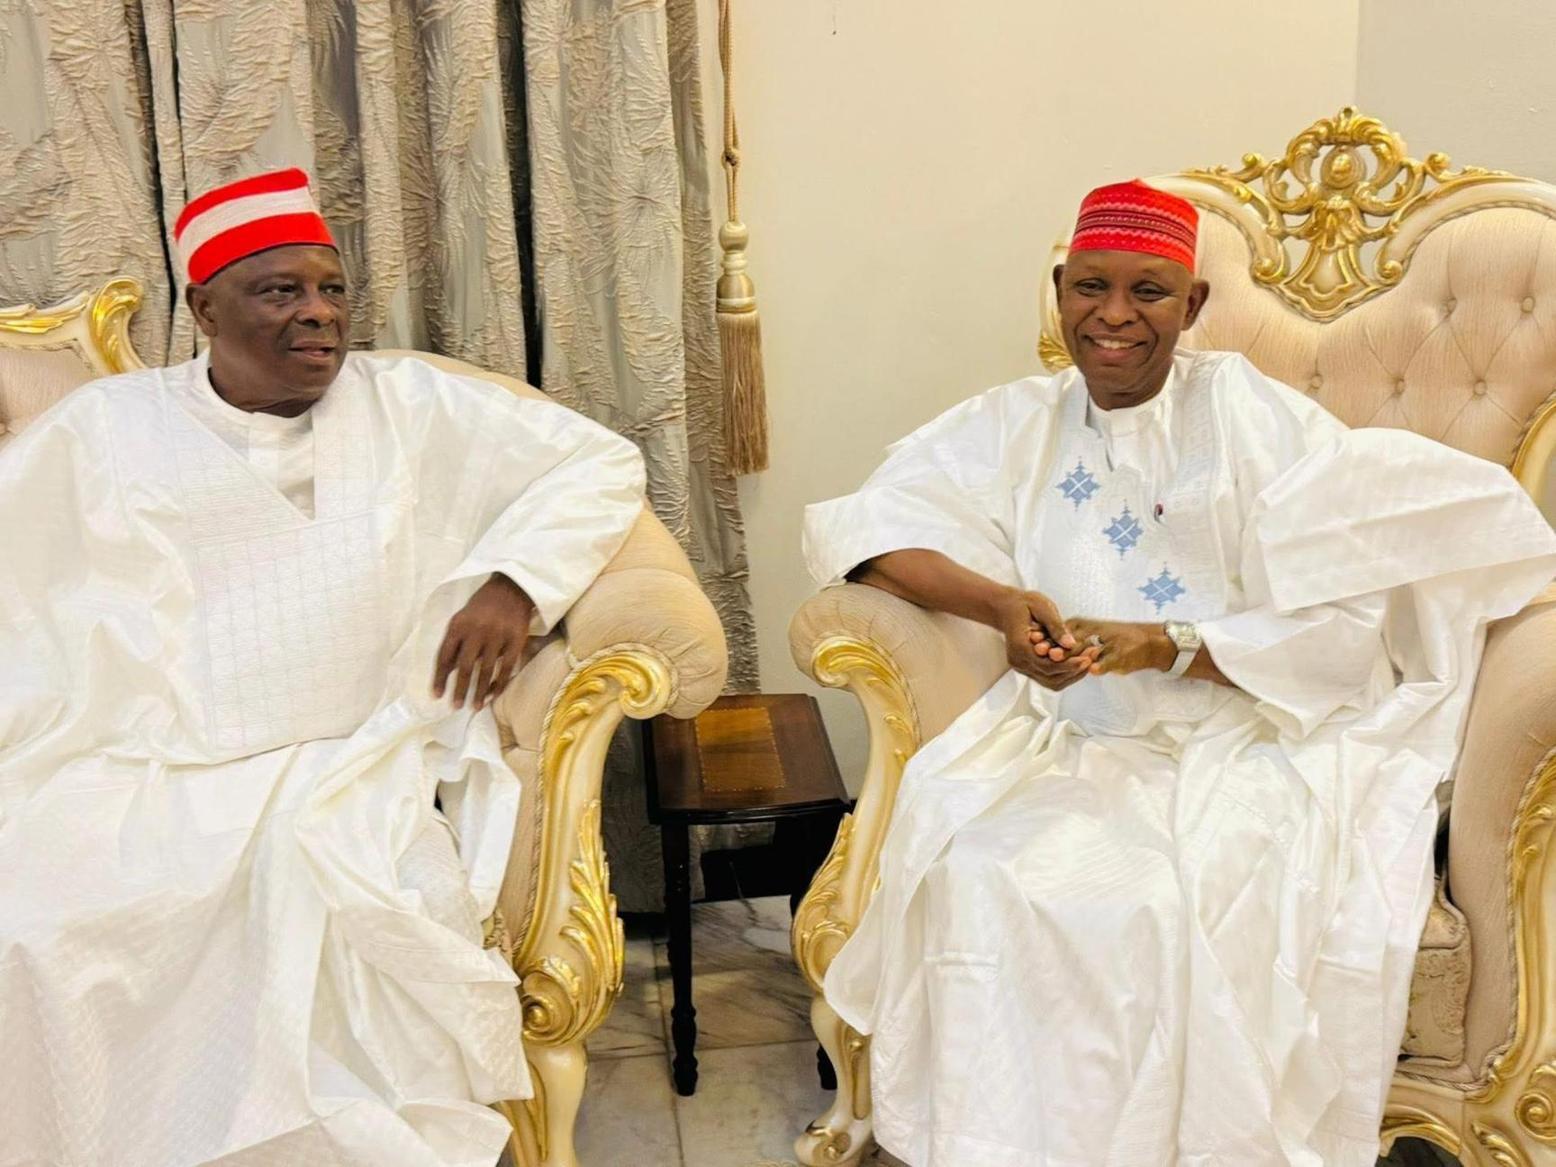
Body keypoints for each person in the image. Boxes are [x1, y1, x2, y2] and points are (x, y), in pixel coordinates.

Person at [803, 179, 1556, 1166]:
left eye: (1148, 292)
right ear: (1060, 292)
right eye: (1091, 287)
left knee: (1170, 900)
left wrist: (1169, 644)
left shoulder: (1254, 418)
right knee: (982, 872)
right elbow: (868, 529)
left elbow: (1342, 627)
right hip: (1064, 738)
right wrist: (1000, 607)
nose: (1113, 316)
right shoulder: (1014, 421)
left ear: (1192, 305)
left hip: (1251, 739)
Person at [0, 168, 646, 1166]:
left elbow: (599, 463)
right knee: (52, 925)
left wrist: (514, 584)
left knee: (327, 906)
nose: (320, 313)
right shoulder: (105, 428)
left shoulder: (410, 401)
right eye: (281, 291)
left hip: (359, 752)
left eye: (332, 288)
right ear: (204, 310)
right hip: (154, 755)